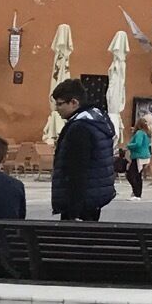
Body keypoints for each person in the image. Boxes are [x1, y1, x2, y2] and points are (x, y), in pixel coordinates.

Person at [50, 83, 117, 221]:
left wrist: (74, 211)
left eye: (60, 104)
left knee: (73, 240)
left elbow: (77, 170)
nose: (56, 109)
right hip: (94, 197)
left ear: (74, 102)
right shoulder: (97, 120)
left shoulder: (79, 128)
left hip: (80, 202)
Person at [124, 115, 152, 200]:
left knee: (131, 175)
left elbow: (138, 144)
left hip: (138, 156)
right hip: (145, 156)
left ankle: (136, 193)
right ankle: (138, 194)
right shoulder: (146, 133)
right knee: (138, 175)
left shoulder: (139, 133)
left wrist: (128, 146)